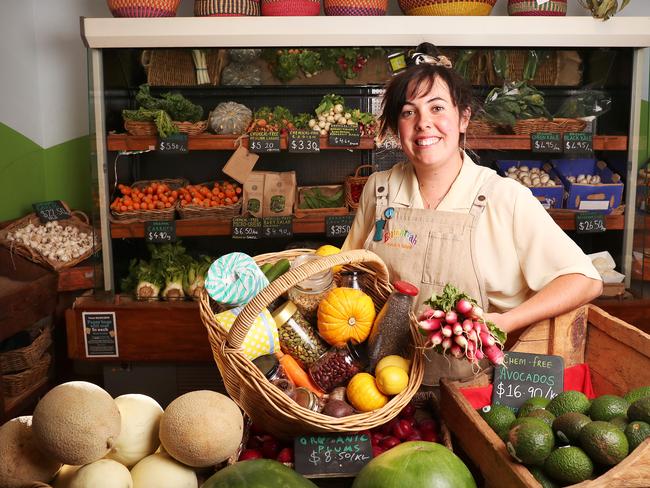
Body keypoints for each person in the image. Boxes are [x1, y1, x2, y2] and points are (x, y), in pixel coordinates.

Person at [342, 47, 602, 385]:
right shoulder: (380, 190)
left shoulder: (503, 198)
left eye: (437, 108)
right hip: (380, 388)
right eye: (409, 112)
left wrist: (502, 322)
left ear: (463, 118)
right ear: (396, 126)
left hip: (473, 392)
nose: (424, 123)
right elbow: (347, 274)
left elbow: (584, 279)